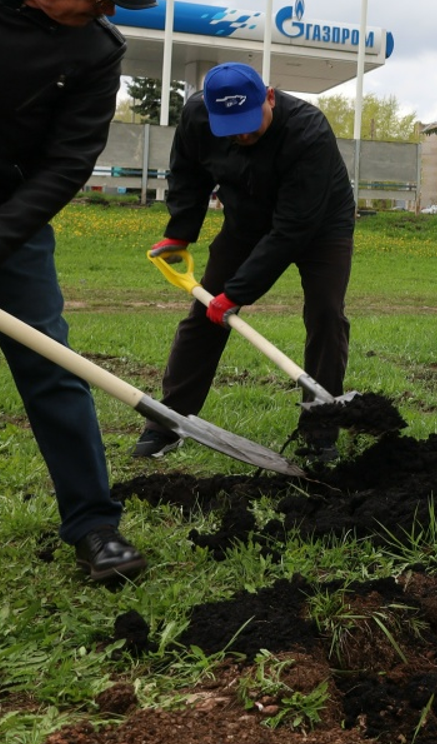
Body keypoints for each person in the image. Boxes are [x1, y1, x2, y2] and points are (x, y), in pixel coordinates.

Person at [0, 0, 158, 582]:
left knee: (53, 370)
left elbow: (66, 167)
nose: (107, 11)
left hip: (8, 224)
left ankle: (95, 526)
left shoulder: (96, 52)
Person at [136, 62, 355, 463]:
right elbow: (187, 174)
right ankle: (167, 422)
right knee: (204, 315)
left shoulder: (308, 131)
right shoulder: (196, 116)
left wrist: (237, 294)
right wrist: (181, 231)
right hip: (246, 221)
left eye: (251, 121)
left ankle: (320, 429)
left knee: (326, 313)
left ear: (270, 96)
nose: (243, 134)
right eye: (231, 126)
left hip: (320, 223)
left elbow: (293, 229)